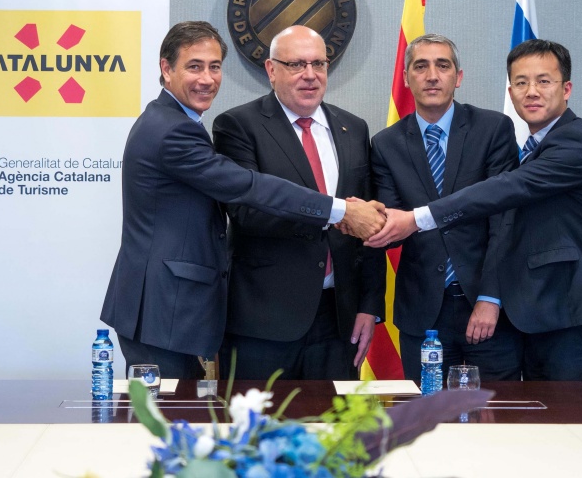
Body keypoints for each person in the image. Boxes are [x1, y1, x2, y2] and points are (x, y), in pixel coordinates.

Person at [100, 21, 385, 379]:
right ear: (166, 68)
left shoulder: (176, 122)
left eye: (214, 67)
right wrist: (340, 210)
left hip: (174, 311)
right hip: (164, 309)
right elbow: (249, 188)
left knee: (180, 409)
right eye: (194, 66)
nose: (207, 79)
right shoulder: (173, 130)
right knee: (168, 412)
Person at [367, 39, 582, 381]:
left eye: (544, 81)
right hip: (534, 317)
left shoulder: (574, 142)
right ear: (510, 92)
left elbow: (505, 191)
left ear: (566, 89)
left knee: (567, 414)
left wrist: (417, 218)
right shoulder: (537, 146)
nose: (532, 92)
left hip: (570, 313)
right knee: (530, 416)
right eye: (521, 83)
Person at [213, 25, 386, 380]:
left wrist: (369, 306)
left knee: (334, 418)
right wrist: (334, 214)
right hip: (263, 323)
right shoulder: (238, 126)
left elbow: (368, 223)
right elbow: (247, 212)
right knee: (259, 418)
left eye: (318, 64)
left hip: (338, 322)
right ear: (271, 70)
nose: (310, 75)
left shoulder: (353, 128)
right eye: (296, 65)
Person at [369, 34, 522, 383]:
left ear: (458, 76)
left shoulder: (492, 129)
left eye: (443, 65)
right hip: (422, 313)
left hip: (487, 306)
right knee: (428, 412)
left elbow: (505, 218)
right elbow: (393, 229)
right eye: (420, 66)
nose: (432, 76)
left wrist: (491, 296)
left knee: (495, 412)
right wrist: (365, 220)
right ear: (406, 78)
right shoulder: (386, 144)